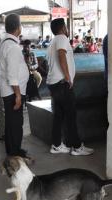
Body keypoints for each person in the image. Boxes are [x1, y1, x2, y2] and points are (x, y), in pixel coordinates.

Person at [46, 18, 93, 156]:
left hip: (54, 84)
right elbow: (61, 55)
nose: (67, 29)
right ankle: (77, 147)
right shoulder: (61, 38)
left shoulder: (52, 42)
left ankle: (56, 145)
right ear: (62, 28)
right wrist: (67, 77)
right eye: (66, 26)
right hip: (62, 84)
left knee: (59, 116)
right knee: (71, 116)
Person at [0, 13, 30, 158]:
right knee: (16, 124)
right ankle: (16, 153)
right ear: (18, 28)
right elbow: (12, 74)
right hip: (13, 92)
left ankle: (11, 149)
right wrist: (17, 94)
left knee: (11, 122)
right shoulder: (13, 47)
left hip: (7, 89)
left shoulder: (4, 43)